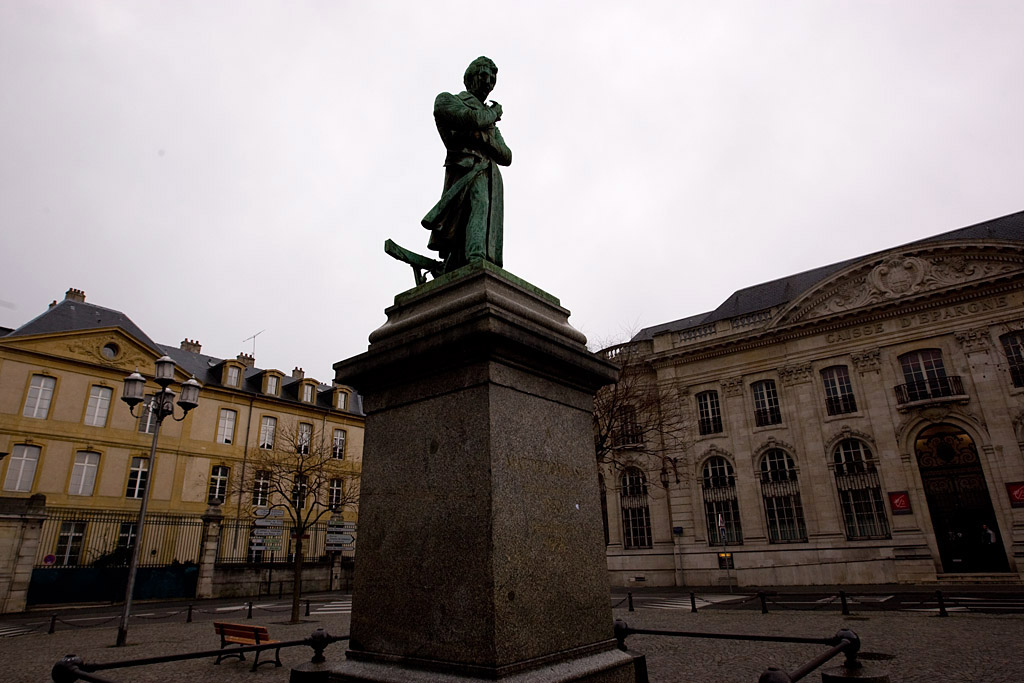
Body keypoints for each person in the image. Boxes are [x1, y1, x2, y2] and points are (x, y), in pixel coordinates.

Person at [422, 56, 512, 272]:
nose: (488, 82)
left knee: (483, 213)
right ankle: (474, 261)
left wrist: (482, 138)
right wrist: (494, 113)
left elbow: (507, 156)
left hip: (490, 176)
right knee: (475, 206)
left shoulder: (490, 125)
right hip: (466, 171)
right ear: (470, 77)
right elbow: (473, 119)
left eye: (492, 79)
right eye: (484, 75)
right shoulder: (447, 100)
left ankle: (473, 262)